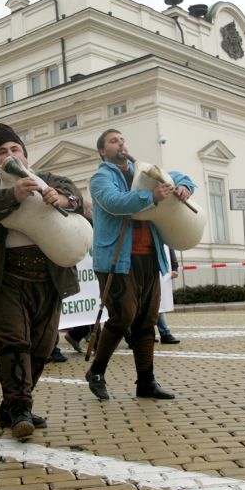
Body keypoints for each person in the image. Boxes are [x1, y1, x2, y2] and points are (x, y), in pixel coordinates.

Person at [0, 123, 81, 439]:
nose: (9, 155)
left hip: (47, 277)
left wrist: (60, 197)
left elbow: (73, 194)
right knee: (14, 342)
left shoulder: (47, 179)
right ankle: (21, 409)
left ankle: (11, 406)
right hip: (5, 276)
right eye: (2, 152)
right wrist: (12, 195)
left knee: (43, 345)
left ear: (25, 155)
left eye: (14, 150)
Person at [85, 129, 195, 401]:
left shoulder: (142, 169)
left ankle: (146, 382)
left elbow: (180, 176)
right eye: (113, 141)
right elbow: (113, 202)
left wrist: (183, 187)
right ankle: (96, 371)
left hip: (148, 257)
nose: (120, 143)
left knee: (146, 321)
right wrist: (151, 197)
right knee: (123, 317)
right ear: (103, 151)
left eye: (122, 139)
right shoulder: (101, 177)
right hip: (117, 260)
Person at [155, 248, 181, 345]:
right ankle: (162, 333)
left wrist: (174, 268)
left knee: (159, 304)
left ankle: (164, 333)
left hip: (161, 273)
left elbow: (170, 249)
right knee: (155, 304)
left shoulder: (164, 235)